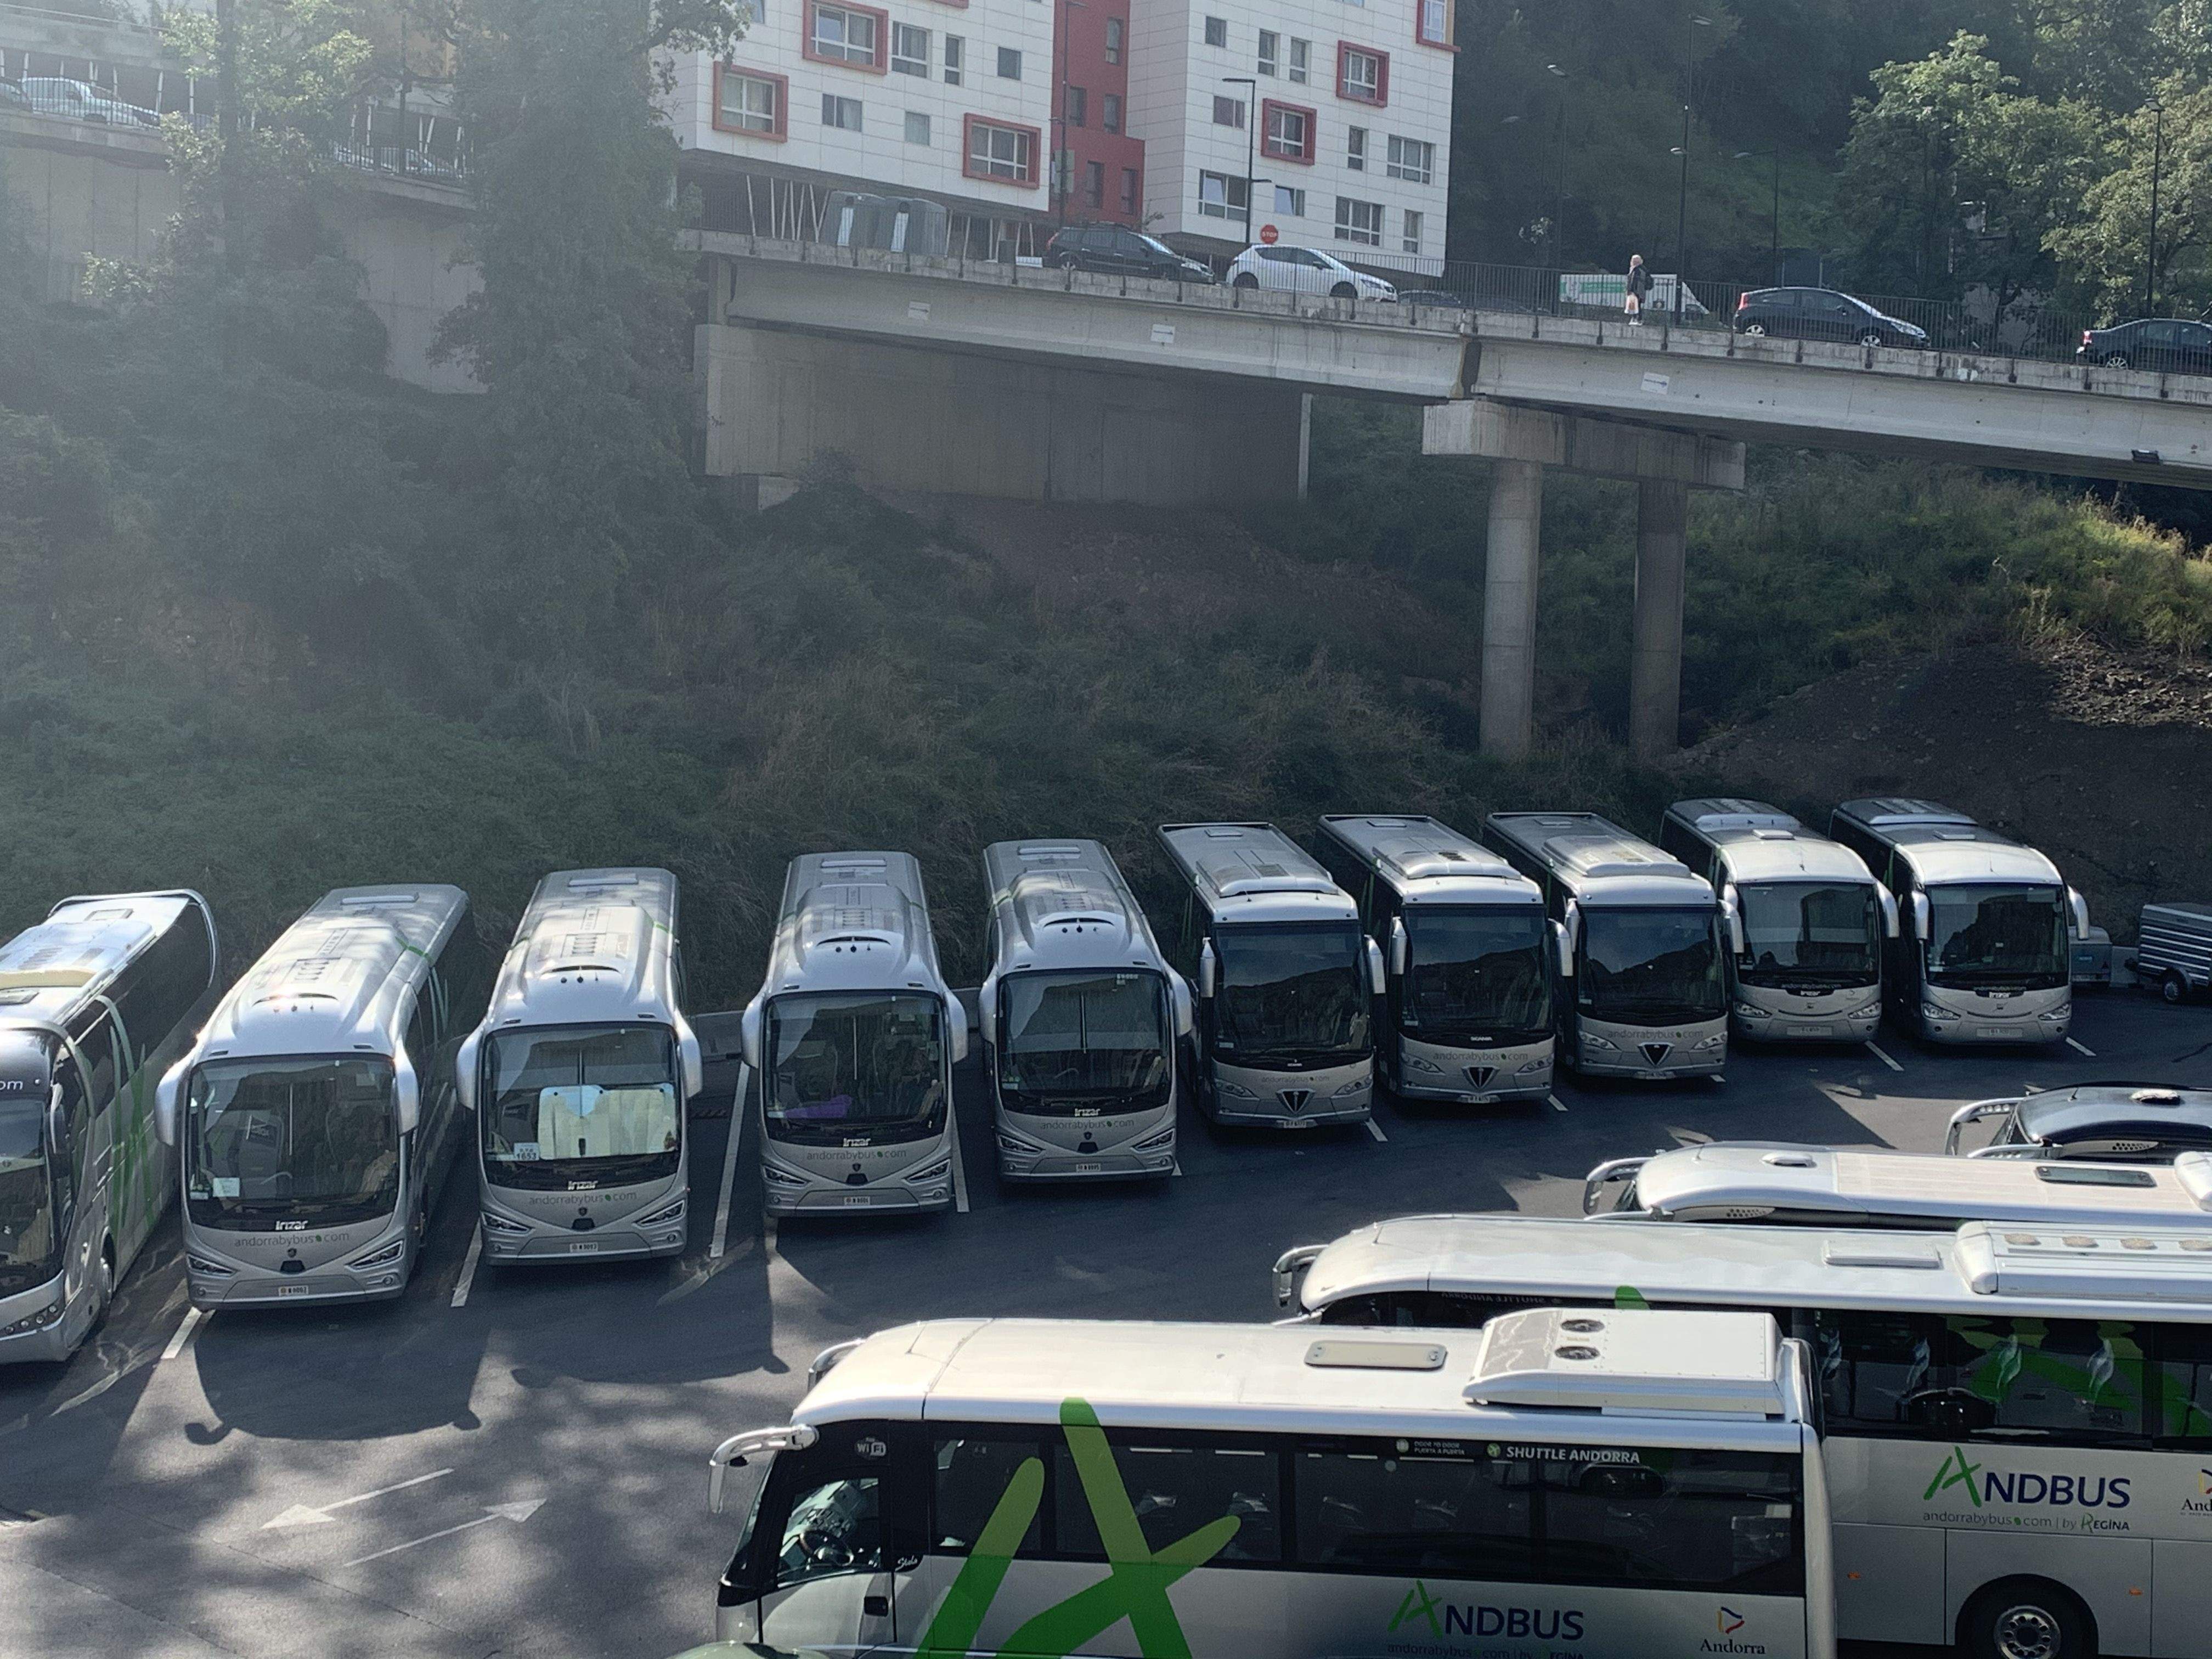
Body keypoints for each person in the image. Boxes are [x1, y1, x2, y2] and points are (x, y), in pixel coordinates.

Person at [1626, 254, 1651, 324]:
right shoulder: (1643, 269)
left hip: (1636, 291)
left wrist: (1630, 290)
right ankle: (1637, 319)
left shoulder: (1637, 270)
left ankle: (1637, 320)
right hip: (1639, 291)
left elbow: (1633, 281)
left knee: (1636, 306)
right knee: (1637, 306)